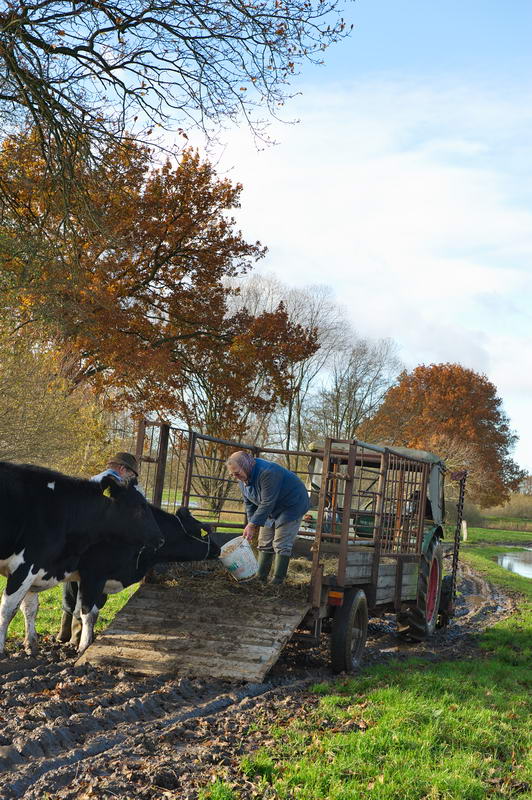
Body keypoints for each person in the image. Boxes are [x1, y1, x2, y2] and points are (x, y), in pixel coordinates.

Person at [57, 452, 143, 643]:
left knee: (72, 583)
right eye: (132, 474)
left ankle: (64, 632)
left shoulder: (91, 481)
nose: (133, 478)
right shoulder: (119, 486)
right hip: (100, 547)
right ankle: (78, 637)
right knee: (93, 590)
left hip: (76, 543)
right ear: (123, 469)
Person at [226, 451, 310, 585]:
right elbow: (249, 503)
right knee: (264, 541)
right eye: (232, 474)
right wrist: (252, 523)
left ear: (245, 466)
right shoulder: (242, 480)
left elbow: (267, 502)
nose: (236, 477)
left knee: (281, 542)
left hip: (291, 504)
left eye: (237, 473)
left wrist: (252, 524)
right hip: (271, 507)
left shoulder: (267, 472)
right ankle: (261, 577)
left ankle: (278, 580)